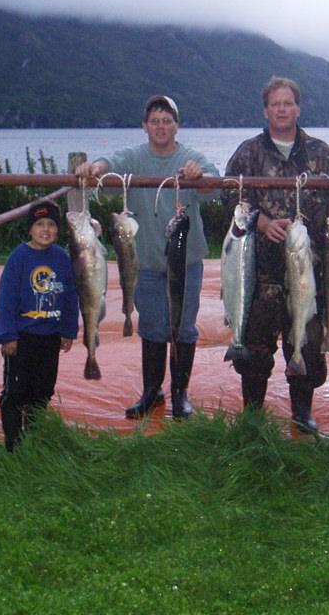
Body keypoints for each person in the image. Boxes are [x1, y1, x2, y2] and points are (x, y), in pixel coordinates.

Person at [75, 95, 219, 419]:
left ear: (177, 126)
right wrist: (94, 168)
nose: (161, 126)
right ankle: (152, 392)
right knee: (152, 328)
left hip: (186, 264)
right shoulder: (134, 157)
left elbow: (213, 182)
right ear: (145, 126)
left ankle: (180, 394)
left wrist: (200, 176)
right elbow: (109, 162)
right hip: (145, 264)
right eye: (155, 120)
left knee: (184, 328)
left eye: (167, 120)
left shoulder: (191, 158)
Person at [222, 76, 329, 434]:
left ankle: (302, 412)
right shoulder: (248, 152)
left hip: (309, 273)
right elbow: (228, 196)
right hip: (259, 273)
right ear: (266, 111)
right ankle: (253, 414)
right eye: (275, 104)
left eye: (288, 103)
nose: (282, 109)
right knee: (255, 349)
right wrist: (261, 223)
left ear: (298, 108)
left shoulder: (320, 152)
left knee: (307, 344)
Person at [0, 200, 79, 450]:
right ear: (30, 229)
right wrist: (7, 335)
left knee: (42, 391)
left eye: (51, 224)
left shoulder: (61, 258)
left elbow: (70, 296)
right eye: (40, 224)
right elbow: (6, 298)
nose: (45, 229)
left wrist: (68, 330)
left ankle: (32, 438)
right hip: (22, 338)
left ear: (58, 229)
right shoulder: (19, 258)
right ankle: (13, 444)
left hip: (50, 337)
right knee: (16, 392)